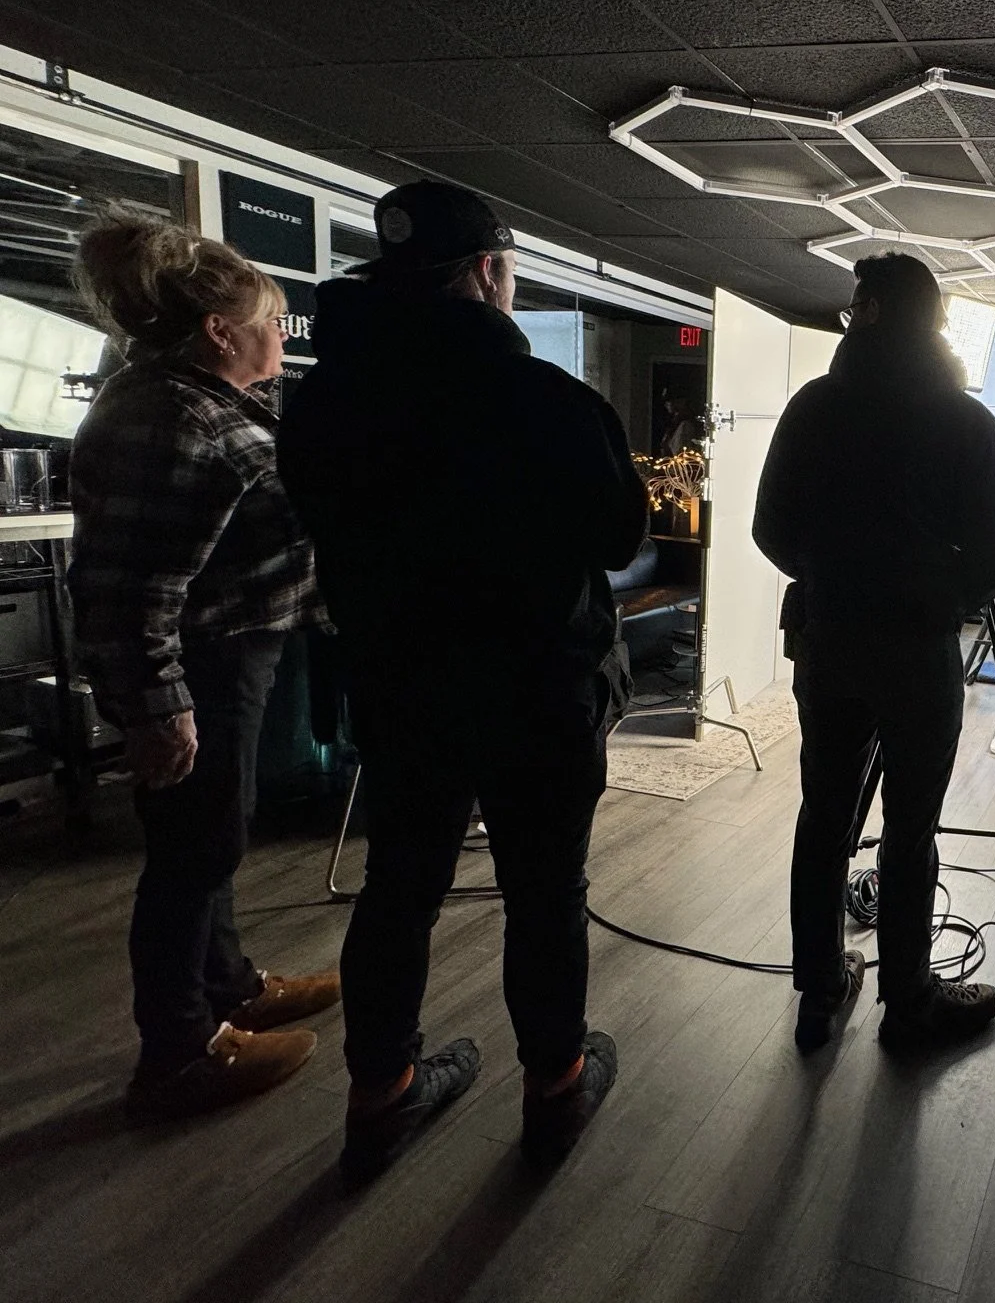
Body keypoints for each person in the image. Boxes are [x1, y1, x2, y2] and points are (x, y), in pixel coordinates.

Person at [276, 182, 647, 1179]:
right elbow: (621, 536)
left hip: (400, 685)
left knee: (399, 888)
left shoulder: (321, 403)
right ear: (489, 271)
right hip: (539, 693)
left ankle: (381, 1100)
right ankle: (556, 1089)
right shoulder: (548, 401)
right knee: (543, 895)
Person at [69, 215, 339, 1121]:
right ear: (221, 332)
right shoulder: (172, 415)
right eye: (270, 321)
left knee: (215, 836)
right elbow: (129, 583)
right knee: (192, 853)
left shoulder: (197, 399)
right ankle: (181, 1052)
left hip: (231, 652)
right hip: (200, 666)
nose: (280, 338)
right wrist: (158, 706)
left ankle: (232, 988)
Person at [754, 253, 995, 1053]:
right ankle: (908, 1005)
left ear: (869, 313)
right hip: (917, 654)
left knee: (824, 819)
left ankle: (819, 992)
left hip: (829, 641)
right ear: (935, 325)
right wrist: (937, 598)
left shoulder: (812, 408)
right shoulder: (966, 421)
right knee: (912, 832)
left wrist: (836, 576)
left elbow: (771, 530)